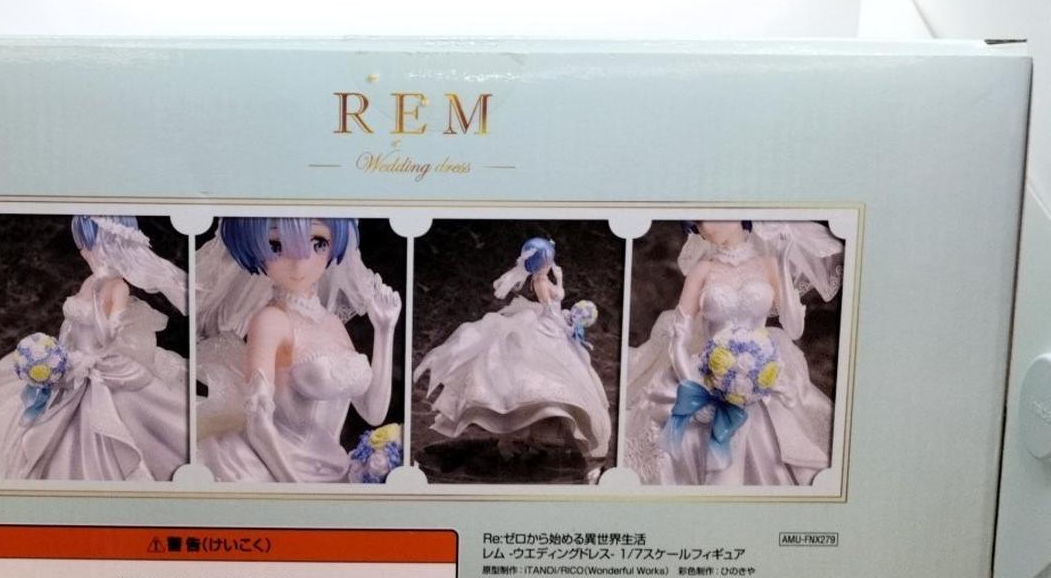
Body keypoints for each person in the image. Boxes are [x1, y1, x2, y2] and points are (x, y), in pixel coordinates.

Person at [623, 220, 841, 486]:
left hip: (761, 370)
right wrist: (695, 387)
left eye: (705, 220)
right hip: (709, 373)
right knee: (686, 436)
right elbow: (679, 338)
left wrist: (784, 261)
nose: (702, 229)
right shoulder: (703, 270)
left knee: (775, 436)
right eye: (695, 225)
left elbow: (794, 329)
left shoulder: (769, 264)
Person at [192, 217, 402, 483]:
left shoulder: (332, 322)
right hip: (280, 465)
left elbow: (373, 412)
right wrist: (293, 486)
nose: (299, 263)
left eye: (318, 243)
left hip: (335, 467)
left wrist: (384, 330)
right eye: (276, 246)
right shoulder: (271, 320)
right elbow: (258, 423)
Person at [0, 215, 188, 481]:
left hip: (97, 365)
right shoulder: (90, 282)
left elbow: (110, 334)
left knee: (103, 417)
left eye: (89, 245)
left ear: (111, 245)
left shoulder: (117, 287)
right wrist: (57, 353)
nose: (83, 252)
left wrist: (105, 323)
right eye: (82, 246)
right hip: (71, 359)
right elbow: (72, 324)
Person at [414, 237, 611, 464]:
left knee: (559, 378)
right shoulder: (539, 282)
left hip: (555, 326)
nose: (551, 264)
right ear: (541, 263)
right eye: (548, 261)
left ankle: (532, 434)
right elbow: (550, 311)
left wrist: (560, 281)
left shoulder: (544, 278)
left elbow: (556, 300)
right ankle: (511, 437)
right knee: (535, 381)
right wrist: (568, 324)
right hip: (549, 327)